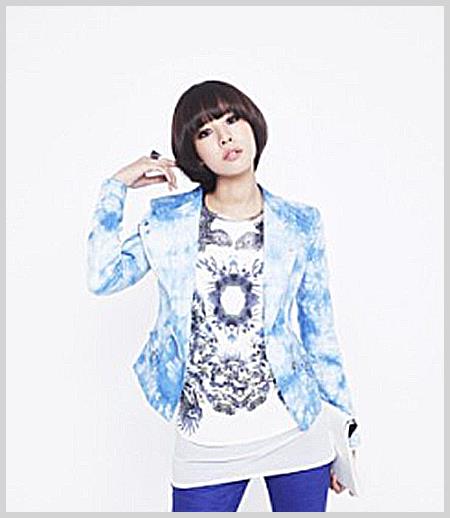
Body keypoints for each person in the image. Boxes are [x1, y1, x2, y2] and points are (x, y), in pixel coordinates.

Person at [86, 79, 361, 512]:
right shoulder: (169, 221)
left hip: (296, 431)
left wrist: (346, 435)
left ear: (252, 125)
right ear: (194, 152)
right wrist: (115, 186)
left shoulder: (300, 223)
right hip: (205, 440)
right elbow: (103, 276)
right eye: (206, 131)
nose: (225, 137)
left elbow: (320, 333)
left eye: (232, 120)